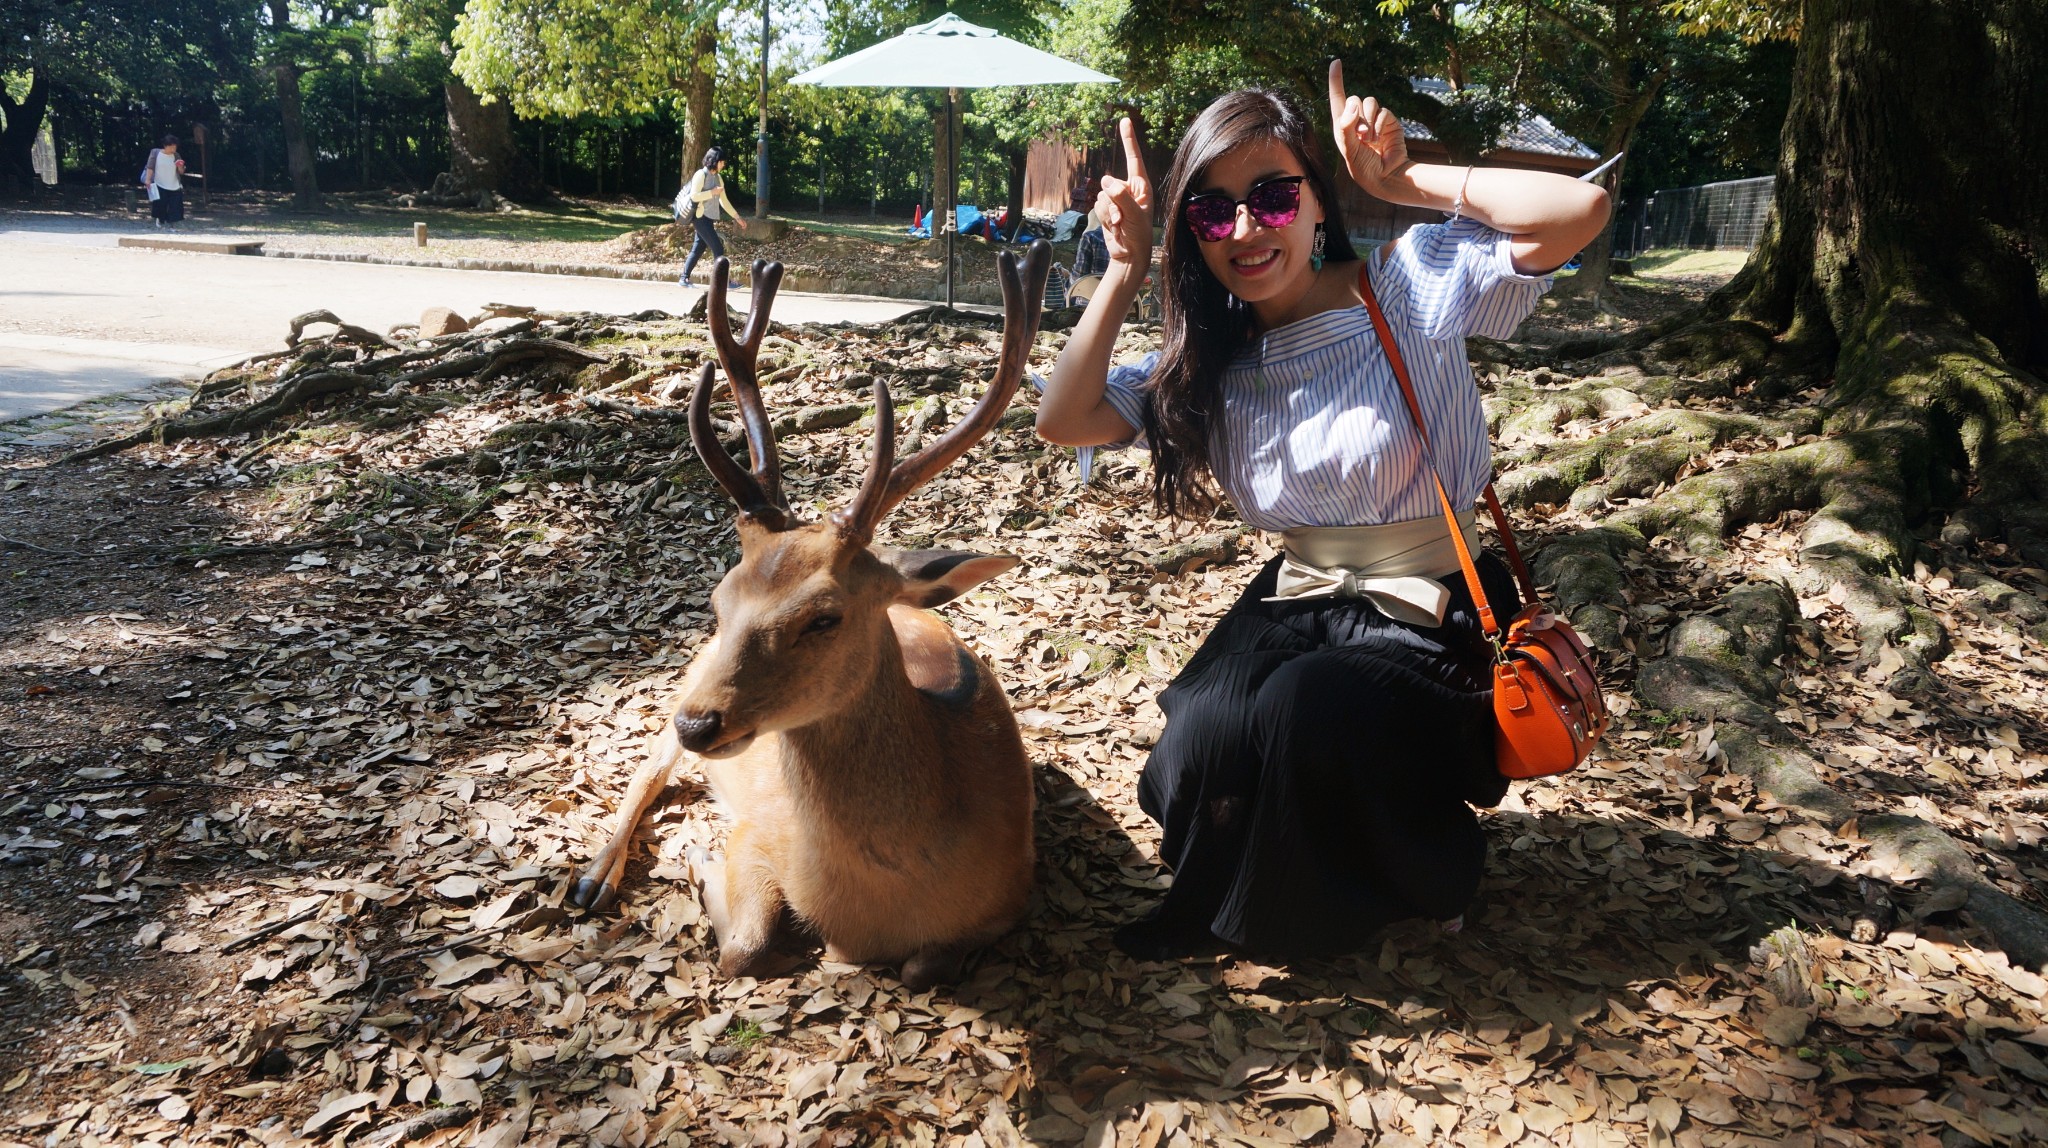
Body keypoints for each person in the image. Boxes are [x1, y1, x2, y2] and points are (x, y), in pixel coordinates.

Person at [1034, 65, 1609, 960]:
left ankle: (1424, 868)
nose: (1246, 229)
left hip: (1437, 599)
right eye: (1212, 211)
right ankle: (1242, 884)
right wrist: (1121, 270)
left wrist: (1403, 180)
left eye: (1271, 195)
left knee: (1310, 709)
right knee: (1201, 733)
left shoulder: (1407, 285)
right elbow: (1062, 418)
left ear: (1314, 196)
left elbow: (1578, 212)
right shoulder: (1213, 355)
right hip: (1300, 596)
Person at [675, 147, 749, 287]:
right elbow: (694, 196)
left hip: (709, 218)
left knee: (697, 249)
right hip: (700, 218)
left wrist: (737, 218)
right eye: (722, 162)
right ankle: (724, 282)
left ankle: (683, 278)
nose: (723, 165)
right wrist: (712, 192)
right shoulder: (700, 175)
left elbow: (724, 201)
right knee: (718, 248)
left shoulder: (718, 178)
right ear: (715, 161)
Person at [141, 135, 186, 229]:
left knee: (175, 205)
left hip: (174, 184)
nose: (174, 148)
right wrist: (148, 180)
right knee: (160, 203)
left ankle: (173, 223)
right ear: (165, 145)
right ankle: (160, 220)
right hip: (160, 183)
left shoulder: (176, 155)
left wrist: (180, 166)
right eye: (172, 146)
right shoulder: (155, 153)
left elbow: (181, 172)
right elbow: (150, 166)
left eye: (175, 146)